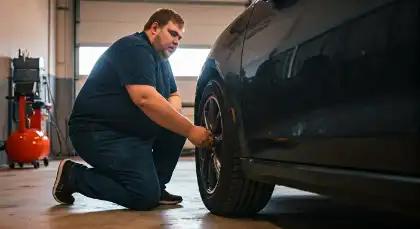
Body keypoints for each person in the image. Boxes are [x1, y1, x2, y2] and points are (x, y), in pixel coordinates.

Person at [51, 8, 212, 211]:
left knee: (173, 126)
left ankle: (157, 186)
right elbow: (144, 98)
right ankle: (73, 176)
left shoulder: (162, 60)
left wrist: (171, 121)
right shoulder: (133, 48)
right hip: (98, 132)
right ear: (154, 28)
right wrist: (189, 130)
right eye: (173, 33)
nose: (177, 41)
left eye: (180, 37)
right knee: (143, 196)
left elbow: (174, 95)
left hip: (130, 133)